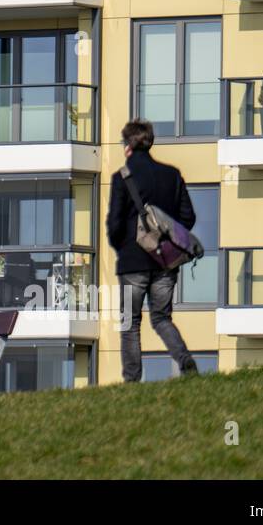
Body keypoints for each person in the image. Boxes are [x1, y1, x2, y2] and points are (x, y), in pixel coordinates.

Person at [106, 118, 198, 382]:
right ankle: (185, 360)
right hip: (165, 261)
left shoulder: (122, 177)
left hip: (132, 261)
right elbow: (187, 218)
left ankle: (132, 380)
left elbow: (114, 222)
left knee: (129, 323)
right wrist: (166, 236)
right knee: (161, 318)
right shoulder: (172, 175)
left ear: (128, 146)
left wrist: (122, 246)